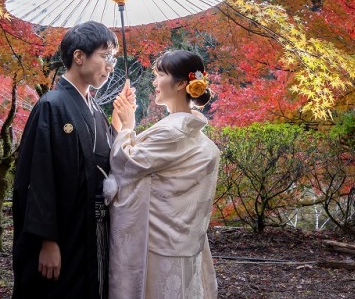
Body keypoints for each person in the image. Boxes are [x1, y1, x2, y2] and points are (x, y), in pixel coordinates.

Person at [12, 21, 124, 299]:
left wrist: (121, 127)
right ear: (79, 56)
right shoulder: (51, 105)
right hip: (62, 232)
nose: (111, 66)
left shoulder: (96, 110)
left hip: (92, 230)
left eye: (114, 59)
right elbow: (38, 178)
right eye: (105, 56)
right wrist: (47, 241)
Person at [107, 50, 220, 299]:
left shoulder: (173, 132)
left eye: (160, 75)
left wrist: (128, 126)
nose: (154, 82)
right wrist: (121, 121)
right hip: (182, 244)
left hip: (159, 248)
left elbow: (125, 165)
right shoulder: (189, 133)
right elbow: (140, 160)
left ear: (180, 83)